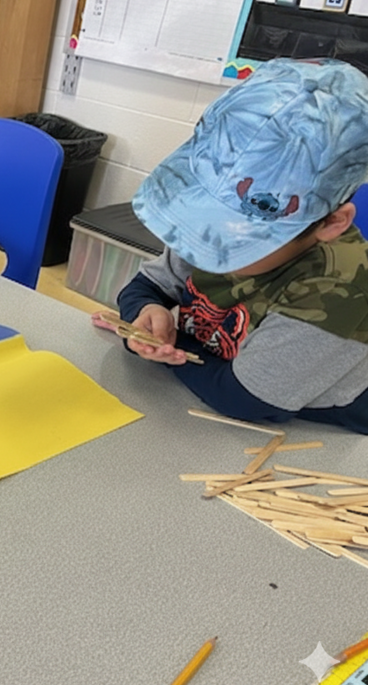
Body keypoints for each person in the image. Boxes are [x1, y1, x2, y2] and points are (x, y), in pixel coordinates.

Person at [106, 57, 368, 432]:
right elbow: (149, 285)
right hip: (220, 402)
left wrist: (170, 348)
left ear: (331, 223)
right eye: (208, 218)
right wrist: (147, 313)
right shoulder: (208, 226)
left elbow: (243, 398)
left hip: (323, 434)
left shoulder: (338, 287)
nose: (208, 246)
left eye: (240, 238)